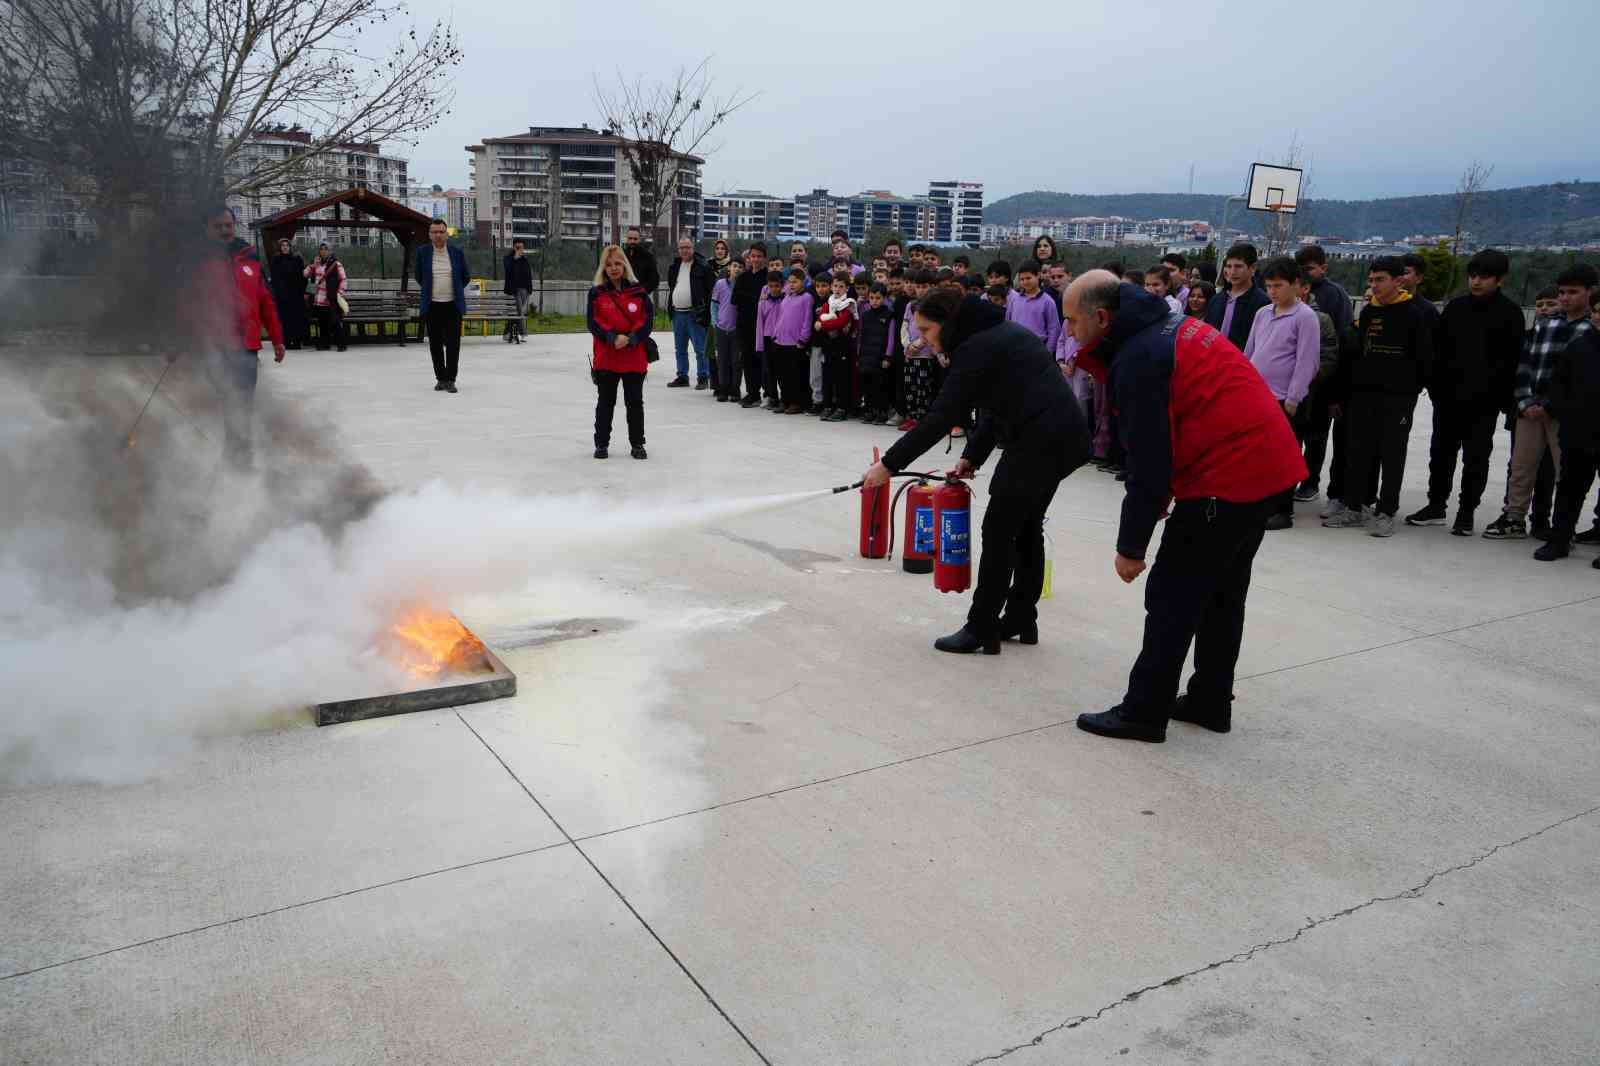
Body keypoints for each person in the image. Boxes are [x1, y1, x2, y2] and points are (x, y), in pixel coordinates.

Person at [1062, 271, 1305, 742]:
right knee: (1221, 594)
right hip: (1265, 467)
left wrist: (1130, 546)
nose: (1069, 331)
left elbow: (1148, 463)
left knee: (1172, 596)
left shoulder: (1141, 356)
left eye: (1072, 321)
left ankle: (1143, 712)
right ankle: (1211, 700)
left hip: (1227, 478)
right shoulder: (1170, 326)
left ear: (1102, 316)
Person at [860, 287, 1089, 654]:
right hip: (1061, 438)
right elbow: (999, 403)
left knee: (999, 530)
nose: (923, 339)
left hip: (1040, 441)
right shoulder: (994, 336)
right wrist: (973, 456)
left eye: (927, 331)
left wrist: (888, 465)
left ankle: (982, 626)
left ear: (948, 324)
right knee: (1026, 527)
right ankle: (1020, 618)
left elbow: (940, 419)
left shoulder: (976, 348)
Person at [1403, 250, 1525, 535]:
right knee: (1440, 455)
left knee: (1476, 458)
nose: (1476, 282)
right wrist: (1436, 389)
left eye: (1484, 277)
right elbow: (1439, 351)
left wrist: (1501, 399)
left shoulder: (1510, 314)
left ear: (1500, 280)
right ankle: (1436, 506)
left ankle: (1466, 513)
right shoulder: (1457, 308)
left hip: (1484, 404)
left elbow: (1511, 361)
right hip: (1448, 399)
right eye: (1472, 276)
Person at [1483, 264, 1599, 539]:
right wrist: (1524, 401)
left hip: (1564, 415)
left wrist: (1551, 405)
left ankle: (1562, 528)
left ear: (1590, 293)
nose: (1565, 298)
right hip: (1529, 410)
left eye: (1573, 292)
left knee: (1567, 474)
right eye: (1562, 292)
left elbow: (1574, 380)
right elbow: (1525, 364)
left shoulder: (1589, 332)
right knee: (1521, 467)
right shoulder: (1545, 325)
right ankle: (1514, 517)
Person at [1323, 257, 1434, 537]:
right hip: (1362, 395)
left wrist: (1409, 387)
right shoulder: (1369, 312)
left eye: (1380, 280)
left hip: (1398, 398)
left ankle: (1386, 512)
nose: (1373, 286)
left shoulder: (1415, 314)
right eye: (1371, 280)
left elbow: (1424, 358)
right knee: (1358, 451)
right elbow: (1355, 353)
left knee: (1392, 454)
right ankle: (1354, 508)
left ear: (1399, 281)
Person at [193, 206, 285, 469]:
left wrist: (277, 339)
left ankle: (240, 456)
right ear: (207, 229)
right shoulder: (198, 261)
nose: (224, 230)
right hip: (215, 345)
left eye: (228, 225)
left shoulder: (250, 256)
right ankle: (229, 452)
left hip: (247, 346)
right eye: (218, 226)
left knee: (243, 402)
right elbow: (189, 304)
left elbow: (265, 300)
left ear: (234, 226)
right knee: (226, 400)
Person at [1243, 257, 1322, 530]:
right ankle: (1260, 503)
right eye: (1268, 286)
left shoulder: (1305, 317)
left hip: (1284, 400)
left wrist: (1293, 399)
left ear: (1297, 285)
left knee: (1283, 456)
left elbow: (1307, 361)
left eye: (1278, 285)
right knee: (1258, 454)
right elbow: (1250, 352)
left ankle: (1282, 510)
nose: (1273, 291)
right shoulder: (1263, 313)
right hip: (1257, 396)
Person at [1292, 245, 1356, 505]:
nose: (1305, 275)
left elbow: (1340, 341)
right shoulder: (1290, 294)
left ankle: (1310, 482)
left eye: (1309, 269)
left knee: (1316, 435)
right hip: (1294, 382)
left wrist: (1327, 381)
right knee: (1293, 434)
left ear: (1323, 267)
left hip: (1322, 381)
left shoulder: (1335, 295)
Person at [1535, 327, 1600, 563]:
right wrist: (1565, 412)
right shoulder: (1578, 346)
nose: (1598, 316)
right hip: (1578, 431)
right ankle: (1559, 540)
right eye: (1596, 311)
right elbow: (1559, 383)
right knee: (1570, 488)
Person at [586, 245, 653, 460]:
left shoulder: (639, 291)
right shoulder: (596, 292)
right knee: (605, 403)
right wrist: (612, 337)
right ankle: (601, 444)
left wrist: (631, 338)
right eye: (608, 264)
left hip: (633, 356)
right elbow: (593, 322)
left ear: (625, 265)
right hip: (607, 356)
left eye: (617, 263)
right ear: (603, 268)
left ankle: (637, 444)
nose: (613, 268)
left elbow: (647, 321)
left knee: (635, 403)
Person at [414, 219, 467, 393]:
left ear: (447, 234)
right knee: (435, 344)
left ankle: (451, 379)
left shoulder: (457, 252)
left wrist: (455, 291)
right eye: (434, 232)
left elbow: (465, 277)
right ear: (429, 235)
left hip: (452, 306)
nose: (438, 235)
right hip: (433, 306)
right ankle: (441, 378)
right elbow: (419, 276)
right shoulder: (422, 252)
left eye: (441, 232)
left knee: (453, 344)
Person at [665, 236, 714, 389]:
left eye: (687, 247)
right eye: (682, 248)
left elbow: (710, 291)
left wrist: (705, 312)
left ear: (693, 248)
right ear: (678, 249)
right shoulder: (674, 266)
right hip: (678, 313)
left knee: (700, 348)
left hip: (695, 314)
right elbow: (673, 286)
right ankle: (682, 376)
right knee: (680, 348)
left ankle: (703, 377)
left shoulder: (703, 266)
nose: (685, 250)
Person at [1203, 243, 1268, 350]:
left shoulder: (1262, 303)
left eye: (1238, 266)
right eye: (1228, 266)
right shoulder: (1216, 299)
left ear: (1252, 268)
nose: (1232, 272)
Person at [731, 242, 770, 408]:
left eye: (759, 256)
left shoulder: (768, 277)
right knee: (747, 360)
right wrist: (754, 298)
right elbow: (735, 299)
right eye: (753, 256)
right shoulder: (743, 277)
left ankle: (769, 394)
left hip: (763, 326)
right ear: (749, 257)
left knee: (763, 361)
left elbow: (765, 301)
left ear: (764, 258)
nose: (755, 259)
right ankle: (752, 393)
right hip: (744, 325)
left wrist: (748, 297)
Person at [814, 271, 857, 421]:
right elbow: (821, 316)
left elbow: (841, 322)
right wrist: (825, 323)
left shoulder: (849, 304)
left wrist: (823, 325)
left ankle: (841, 408)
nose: (837, 289)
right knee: (827, 376)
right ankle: (828, 406)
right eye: (835, 286)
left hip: (843, 346)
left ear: (847, 288)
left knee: (842, 378)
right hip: (829, 345)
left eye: (841, 286)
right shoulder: (829, 302)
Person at [771, 268, 814, 414]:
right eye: (790, 282)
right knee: (782, 374)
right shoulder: (787, 297)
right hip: (780, 341)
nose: (792, 285)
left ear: (804, 282)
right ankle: (785, 400)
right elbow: (781, 317)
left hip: (795, 342)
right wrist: (775, 334)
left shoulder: (807, 298)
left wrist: (803, 339)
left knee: (795, 374)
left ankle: (797, 402)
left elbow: (807, 320)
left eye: (795, 282)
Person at [857, 282, 896, 424]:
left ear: (884, 298)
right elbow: (861, 336)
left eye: (878, 298)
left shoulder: (889, 315)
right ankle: (869, 410)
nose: (874, 301)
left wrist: (888, 356)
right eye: (872, 298)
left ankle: (881, 412)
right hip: (866, 355)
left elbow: (891, 337)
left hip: (880, 357)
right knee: (867, 385)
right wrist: (859, 355)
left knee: (880, 386)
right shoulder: (865, 315)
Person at [1005, 259, 1060, 351]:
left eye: (1028, 278)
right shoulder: (1014, 299)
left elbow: (1054, 329)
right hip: (1015, 347)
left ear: (1038, 275)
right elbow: (1008, 322)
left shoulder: (1047, 301)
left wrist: (1048, 351)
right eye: (1022, 279)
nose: (1025, 282)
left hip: (1038, 348)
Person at [305, 243, 347, 353]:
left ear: (330, 251)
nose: (323, 251)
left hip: (330, 298)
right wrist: (313, 265)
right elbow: (305, 274)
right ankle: (325, 344)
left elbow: (343, 279)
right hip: (318, 298)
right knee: (322, 323)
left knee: (335, 322)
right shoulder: (316, 263)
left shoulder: (336, 264)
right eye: (321, 249)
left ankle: (341, 344)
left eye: (326, 249)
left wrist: (339, 293)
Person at [711, 258, 742, 402]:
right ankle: (723, 389)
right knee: (722, 360)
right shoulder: (720, 284)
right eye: (735, 266)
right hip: (721, 328)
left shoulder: (742, 285)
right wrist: (715, 321)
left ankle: (735, 390)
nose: (737, 269)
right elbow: (714, 305)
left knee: (736, 361)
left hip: (736, 329)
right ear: (729, 267)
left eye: (740, 267)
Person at [268, 238, 307, 350]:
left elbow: (302, 277)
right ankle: (286, 341)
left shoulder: (297, 259)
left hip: (295, 295)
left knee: (296, 318)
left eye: (287, 245)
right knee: (284, 320)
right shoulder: (276, 260)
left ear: (290, 247)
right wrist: (278, 292)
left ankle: (297, 341)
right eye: (283, 245)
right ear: (280, 247)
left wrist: (302, 291)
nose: (285, 247)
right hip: (282, 295)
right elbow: (274, 278)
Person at [503, 239, 533, 345]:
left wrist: (530, 289)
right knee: (519, 312)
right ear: (514, 247)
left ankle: (506, 334)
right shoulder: (508, 259)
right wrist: (515, 258)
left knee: (514, 314)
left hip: (524, 290)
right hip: (513, 291)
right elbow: (508, 270)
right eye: (518, 247)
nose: (520, 249)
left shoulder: (525, 259)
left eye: (521, 247)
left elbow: (529, 274)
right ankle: (522, 333)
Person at [623, 225, 659, 296]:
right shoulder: (622, 255)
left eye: (635, 239)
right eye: (630, 238)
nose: (632, 241)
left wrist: (642, 291)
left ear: (639, 239)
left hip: (641, 297)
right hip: (624, 296)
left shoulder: (648, 256)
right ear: (626, 239)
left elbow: (654, 280)